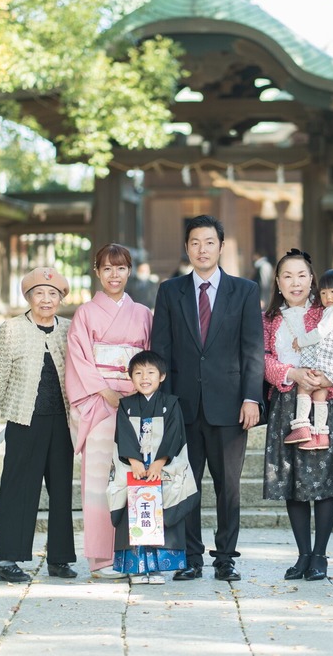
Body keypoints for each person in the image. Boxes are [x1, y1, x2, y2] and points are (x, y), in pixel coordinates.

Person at [150, 214, 265, 582]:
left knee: (228, 486)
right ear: (187, 248)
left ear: (220, 246)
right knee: (187, 484)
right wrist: (163, 406)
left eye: (209, 242)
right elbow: (161, 349)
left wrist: (252, 398)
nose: (202, 249)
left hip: (230, 405)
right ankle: (191, 557)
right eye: (195, 243)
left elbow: (253, 350)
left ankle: (226, 557)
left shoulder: (244, 291)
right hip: (183, 406)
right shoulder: (170, 291)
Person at [262, 249, 333, 582]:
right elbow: (261, 357)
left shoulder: (331, 312)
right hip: (287, 405)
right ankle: (302, 555)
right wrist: (290, 373)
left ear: (312, 279)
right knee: (293, 483)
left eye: (302, 275)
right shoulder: (269, 319)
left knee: (324, 483)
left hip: (327, 402)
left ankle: (320, 555)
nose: (295, 282)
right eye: (288, 276)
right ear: (278, 282)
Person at [64, 244, 152, 580]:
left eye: (120, 268)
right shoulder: (85, 314)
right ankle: (101, 559)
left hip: (137, 403)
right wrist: (105, 391)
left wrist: (141, 392)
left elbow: (151, 360)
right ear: (97, 272)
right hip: (100, 403)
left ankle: (138, 554)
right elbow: (79, 359)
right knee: (99, 483)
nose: (114, 275)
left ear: (129, 271)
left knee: (138, 478)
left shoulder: (144, 314)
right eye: (107, 269)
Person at [0, 266, 75, 583]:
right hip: (24, 421)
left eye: (53, 294)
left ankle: (60, 559)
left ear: (61, 299)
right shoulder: (10, 329)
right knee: (17, 489)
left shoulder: (68, 329)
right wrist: (14, 407)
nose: (46, 299)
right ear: (28, 297)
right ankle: (8, 560)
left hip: (61, 422)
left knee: (62, 489)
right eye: (39, 293)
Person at [106, 351, 198, 584]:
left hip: (161, 469)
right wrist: (135, 462)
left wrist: (159, 461)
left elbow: (175, 435)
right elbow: (123, 436)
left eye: (150, 372)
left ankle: (157, 568)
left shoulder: (171, 404)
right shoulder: (126, 405)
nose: (144, 378)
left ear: (162, 376)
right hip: (134, 469)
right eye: (138, 373)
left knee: (161, 511)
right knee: (134, 512)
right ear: (130, 378)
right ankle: (136, 568)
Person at [283, 268, 333, 451]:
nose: (327, 296)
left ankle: (302, 425)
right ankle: (321, 435)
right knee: (321, 394)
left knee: (305, 385)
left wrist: (300, 342)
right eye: (323, 292)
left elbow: (320, 332)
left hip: (326, 361)